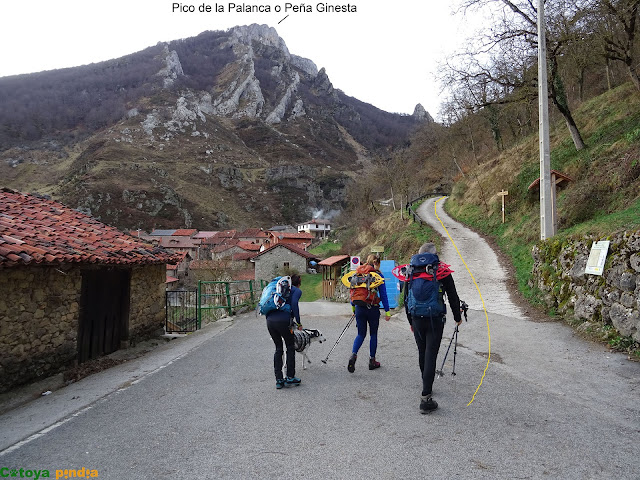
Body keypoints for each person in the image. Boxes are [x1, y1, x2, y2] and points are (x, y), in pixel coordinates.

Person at [406, 242, 462, 413]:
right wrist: (457, 317)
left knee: (422, 352)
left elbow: (406, 297)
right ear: (435, 255)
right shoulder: (441, 270)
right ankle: (426, 397)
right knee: (431, 354)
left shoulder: (412, 270)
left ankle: (426, 383)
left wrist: (410, 322)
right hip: (435, 319)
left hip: (416, 317)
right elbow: (452, 295)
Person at [348, 254, 391, 373]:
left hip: (359, 308)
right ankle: (372, 361)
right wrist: (387, 311)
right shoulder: (378, 276)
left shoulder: (357, 274)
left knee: (360, 334)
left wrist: (353, 309)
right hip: (373, 308)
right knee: (373, 334)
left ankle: (353, 355)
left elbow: (352, 292)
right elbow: (383, 295)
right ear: (377, 263)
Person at [266, 274, 303, 389]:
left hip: (270, 321)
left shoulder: (276, 288)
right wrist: (299, 322)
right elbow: (294, 306)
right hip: (284, 321)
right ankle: (290, 377)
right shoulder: (296, 291)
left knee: (278, 348)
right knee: (290, 346)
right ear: (298, 283)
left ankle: (279, 380)